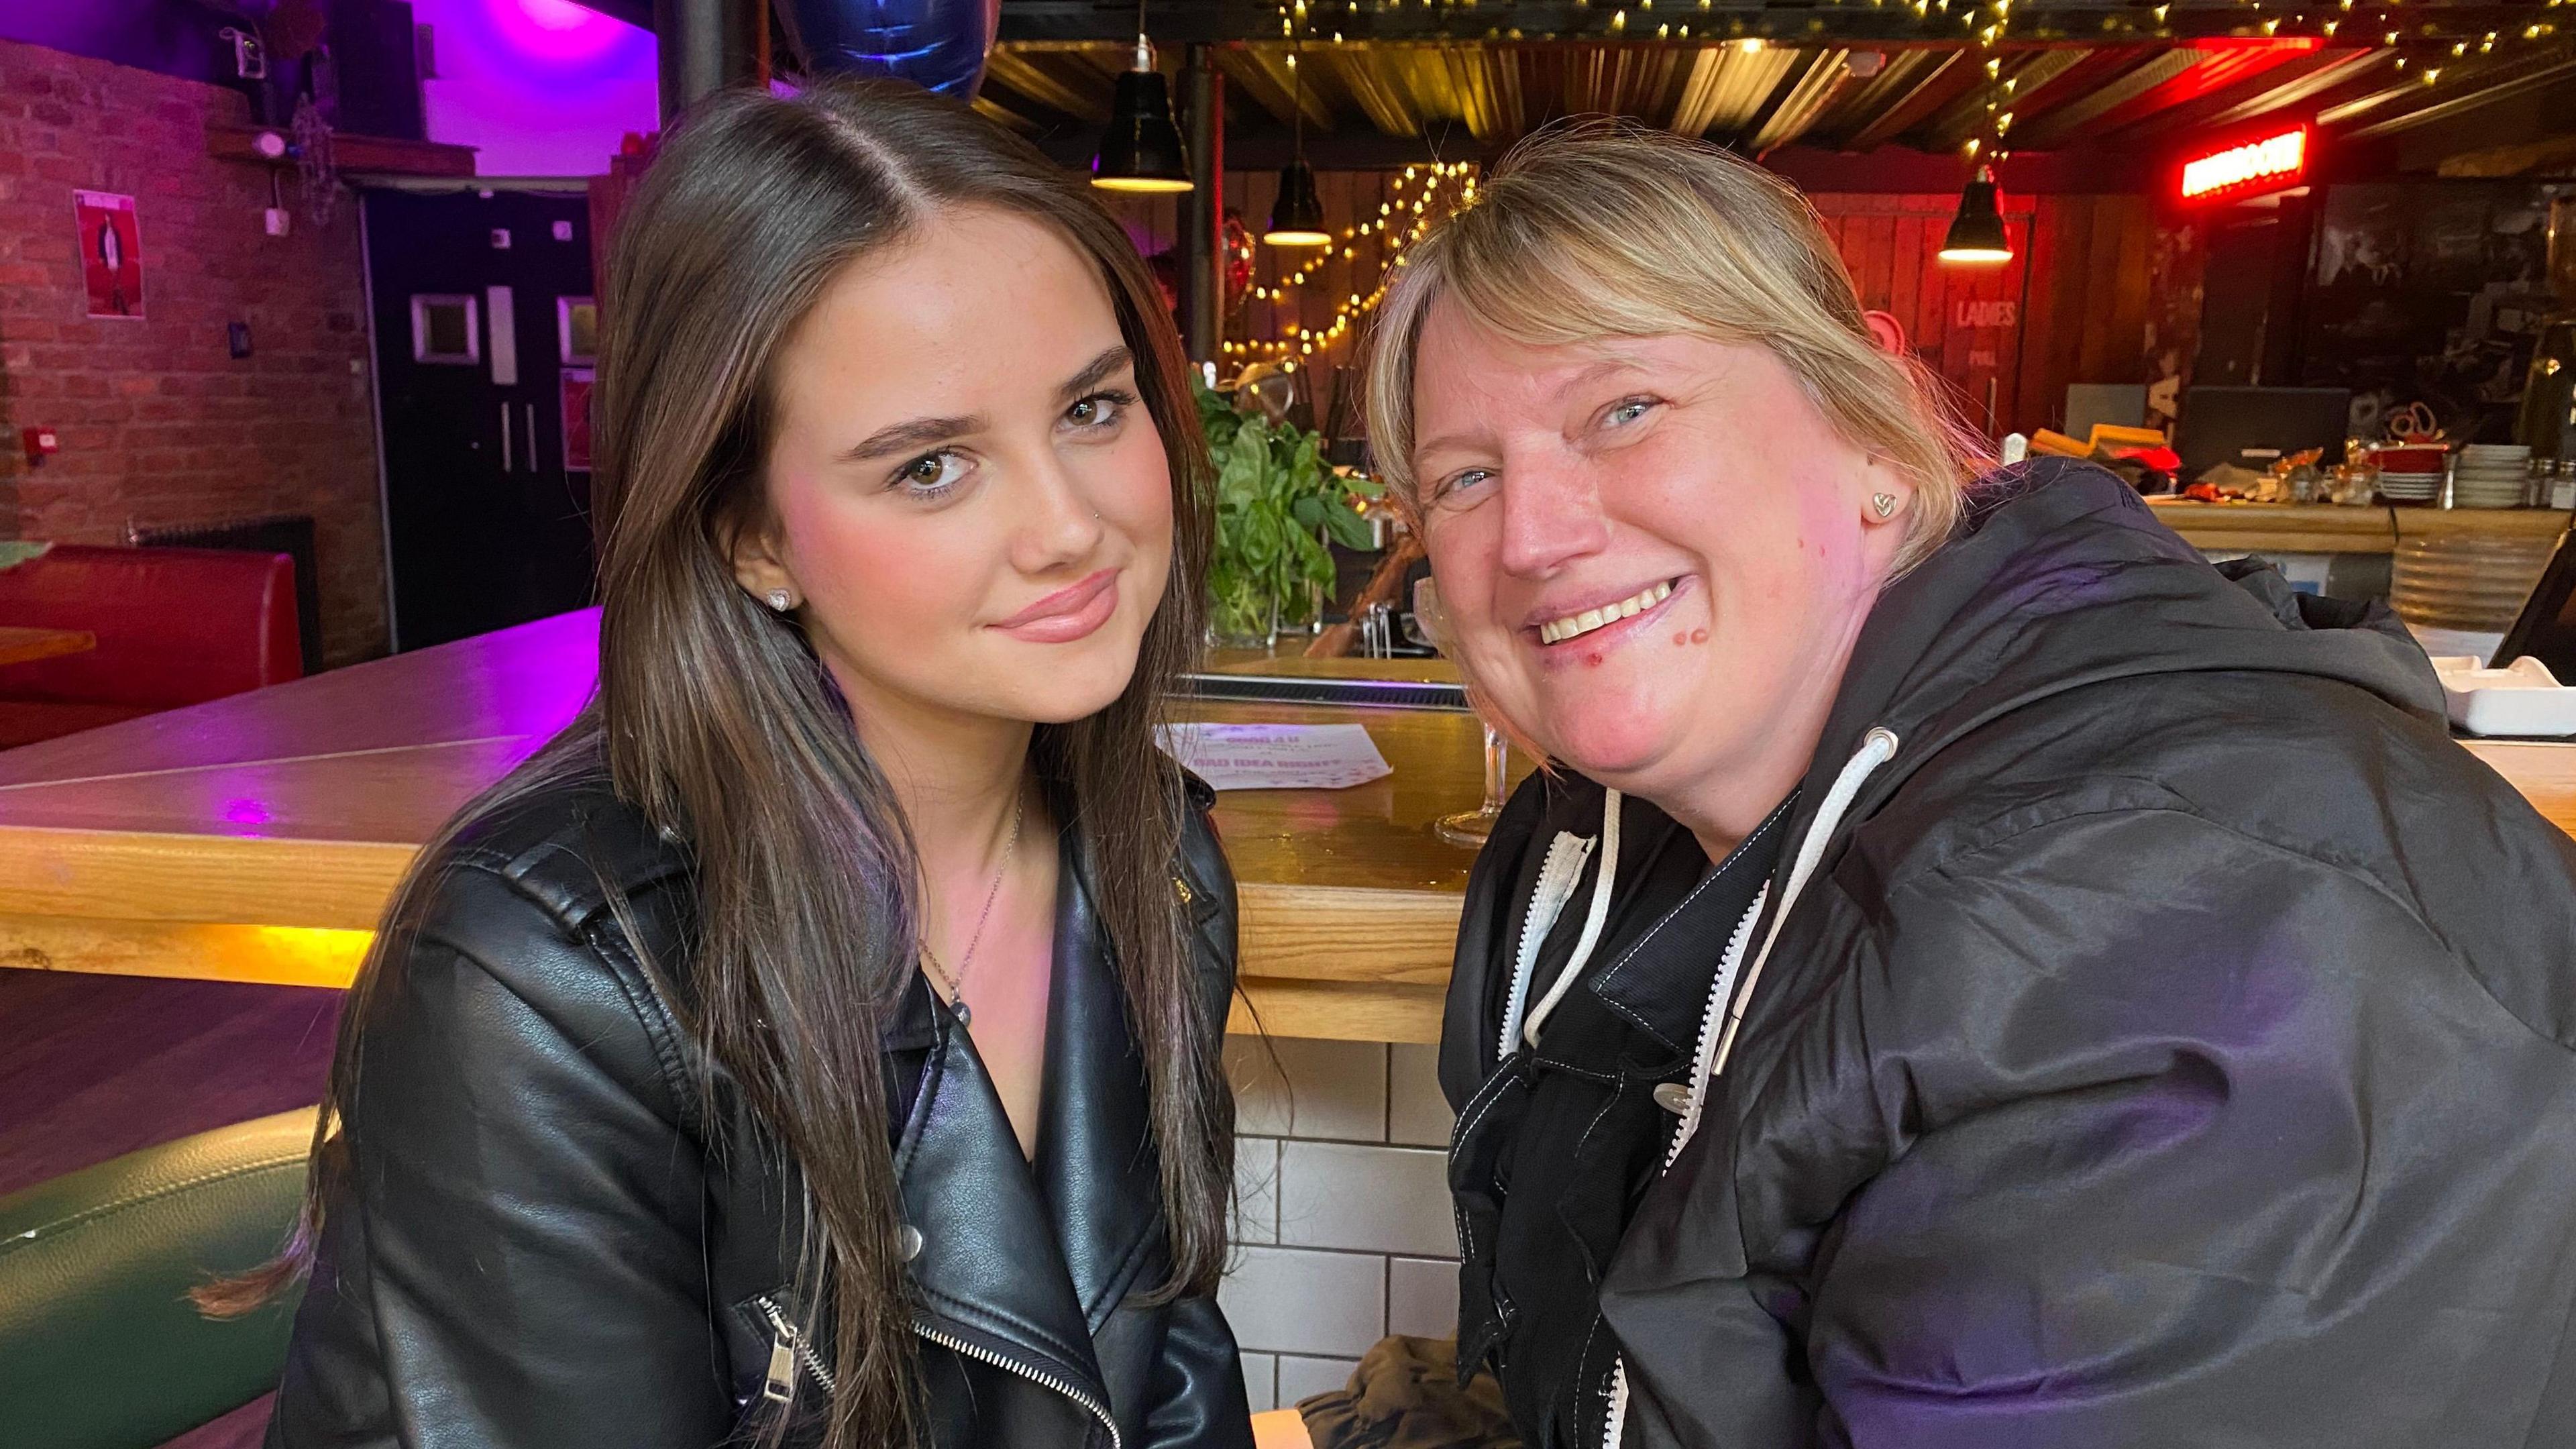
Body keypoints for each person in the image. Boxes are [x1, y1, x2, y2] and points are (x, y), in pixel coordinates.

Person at [1355, 121, 2576, 1448]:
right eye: (1464, 476)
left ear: (1873, 432)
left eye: (1625, 410)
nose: (1530, 536)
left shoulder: (2172, 920)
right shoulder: (1618, 840)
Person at [214, 80, 1254, 1449]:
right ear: (749, 538)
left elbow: (1164, 1376)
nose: (1071, 527)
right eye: (932, 466)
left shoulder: (1151, 860)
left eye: (1093, 408)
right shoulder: (553, 977)